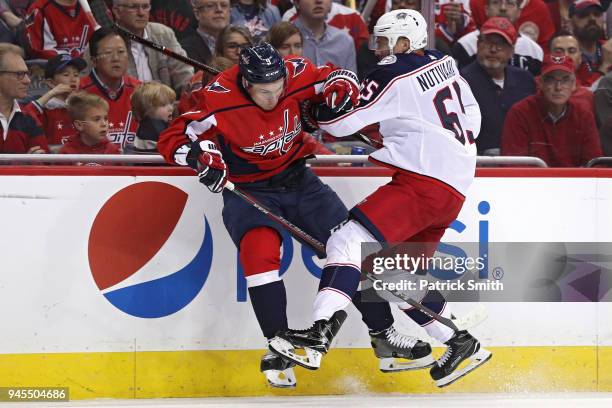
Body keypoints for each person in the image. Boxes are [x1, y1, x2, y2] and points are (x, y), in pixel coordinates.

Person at [157, 42, 434, 388]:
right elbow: (174, 136)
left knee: (352, 250)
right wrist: (200, 156)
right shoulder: (218, 98)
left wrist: (341, 86)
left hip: (299, 179)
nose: (272, 98)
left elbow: (335, 75)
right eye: (263, 92)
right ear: (245, 82)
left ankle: (385, 337)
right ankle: (279, 347)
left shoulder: (297, 72)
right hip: (250, 189)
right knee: (259, 254)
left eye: (278, 90)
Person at [269, 9, 491, 388]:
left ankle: (318, 335)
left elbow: (338, 124)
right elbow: (472, 119)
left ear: (405, 42)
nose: (380, 49)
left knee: (346, 240)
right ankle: (459, 341)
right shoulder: (445, 62)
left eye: (386, 41)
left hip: (423, 182)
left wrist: (313, 113)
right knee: (388, 274)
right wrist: (404, 135)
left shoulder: (391, 72)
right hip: (454, 184)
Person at [501, 53, 602, 166]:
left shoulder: (583, 115)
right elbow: (513, 166)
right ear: (541, 83)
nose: (558, 87)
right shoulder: (520, 113)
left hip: (574, 183)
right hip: (532, 182)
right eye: (551, 80)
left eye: (565, 80)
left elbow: (594, 164)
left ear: (574, 85)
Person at [460, 17, 535, 155]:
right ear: (478, 44)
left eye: (501, 44)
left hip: (519, 163)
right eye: (488, 42)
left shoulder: (525, 80)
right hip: (477, 164)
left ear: (512, 51)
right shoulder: (461, 81)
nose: (493, 49)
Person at [112, 0, 194, 94]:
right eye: (133, 7)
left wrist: (189, 93)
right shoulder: (106, 44)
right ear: (117, 12)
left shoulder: (163, 34)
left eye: (145, 6)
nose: (141, 13)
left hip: (167, 105)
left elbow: (184, 73)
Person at [80, 27, 141, 151]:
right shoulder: (78, 94)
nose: (116, 58)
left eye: (121, 52)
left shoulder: (141, 92)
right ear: (94, 61)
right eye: (108, 53)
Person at [452, 0, 543, 76]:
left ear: (519, 12)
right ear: (486, 9)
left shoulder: (534, 50)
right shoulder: (465, 45)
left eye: (510, 3)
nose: (503, 8)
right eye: (496, 2)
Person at [23, 54, 86, 147]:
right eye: (66, 75)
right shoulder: (44, 109)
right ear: (51, 83)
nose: (73, 79)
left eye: (76, 75)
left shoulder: (83, 107)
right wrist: (51, 93)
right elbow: (26, 117)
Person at [0, 43, 47, 154]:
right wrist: (24, 162)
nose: (27, 81)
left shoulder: (29, 118)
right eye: (19, 74)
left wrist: (32, 162)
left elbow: (45, 164)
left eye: (27, 74)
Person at [290, 0, 357, 72]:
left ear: (331, 4)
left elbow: (350, 81)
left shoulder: (345, 41)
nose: (319, 1)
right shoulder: (284, 38)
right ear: (296, 3)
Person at [24, 0, 96, 59]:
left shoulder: (94, 5)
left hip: (89, 69)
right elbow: (41, 54)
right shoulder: (39, 9)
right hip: (55, 72)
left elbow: (103, 42)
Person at [60, 91, 121, 159]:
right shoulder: (67, 153)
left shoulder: (113, 151)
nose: (104, 124)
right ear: (79, 125)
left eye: (105, 118)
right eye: (96, 119)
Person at [180, 0, 231, 65]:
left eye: (224, 5)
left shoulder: (241, 43)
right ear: (197, 14)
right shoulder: (184, 49)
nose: (219, 10)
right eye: (210, 6)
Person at [130, 81, 176, 153]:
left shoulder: (154, 125)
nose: (171, 108)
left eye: (171, 103)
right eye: (163, 105)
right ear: (147, 109)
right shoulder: (152, 127)